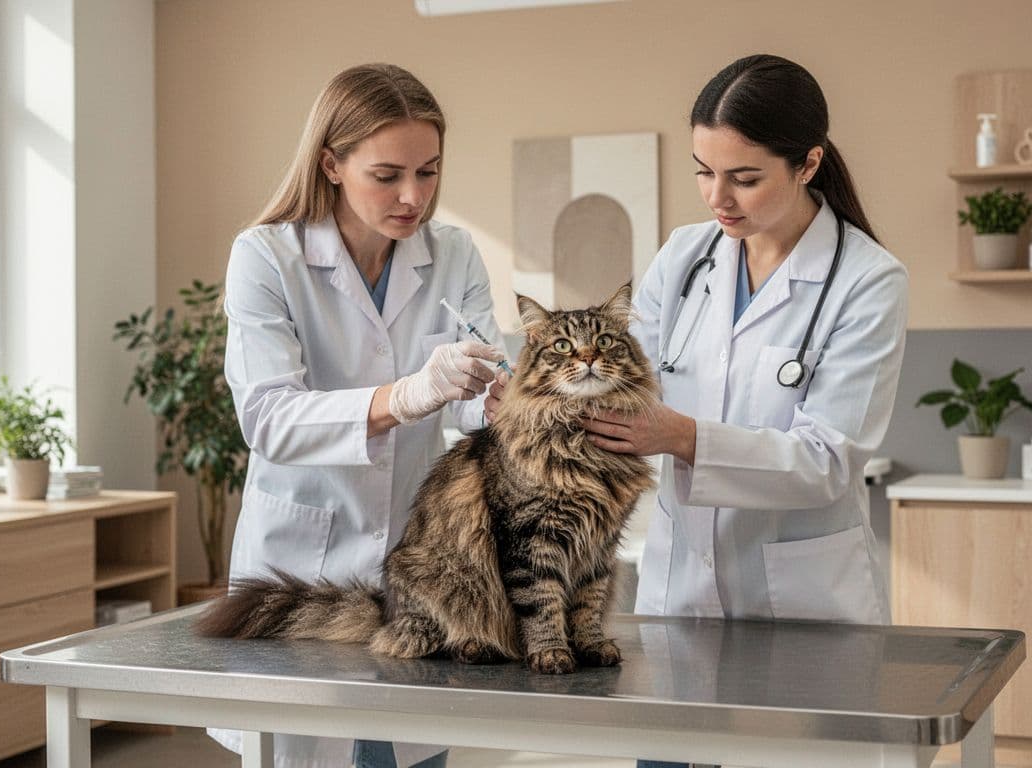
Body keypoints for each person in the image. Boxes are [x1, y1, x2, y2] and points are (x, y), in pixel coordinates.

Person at [577, 54, 907, 768]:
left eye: (744, 177)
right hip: (678, 604)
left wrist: (685, 438)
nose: (717, 198)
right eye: (704, 171)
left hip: (802, 611)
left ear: (808, 162)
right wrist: (536, 397)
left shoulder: (867, 282)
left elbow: (827, 461)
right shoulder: (685, 258)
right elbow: (626, 384)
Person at [210, 63, 507, 768]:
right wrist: (403, 396)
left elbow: (474, 396)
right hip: (300, 566)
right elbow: (268, 418)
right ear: (331, 165)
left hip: (418, 566)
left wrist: (494, 401)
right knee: (309, 748)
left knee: (409, 751)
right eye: (387, 175)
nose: (413, 196)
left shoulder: (453, 253)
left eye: (429, 172)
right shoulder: (266, 257)